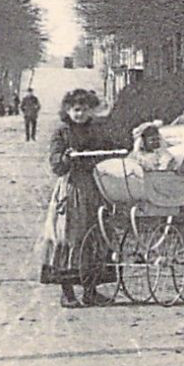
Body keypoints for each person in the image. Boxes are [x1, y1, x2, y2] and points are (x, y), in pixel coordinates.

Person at [37, 88, 127, 307]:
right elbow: (56, 164)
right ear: (68, 110)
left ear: (91, 111)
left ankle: (91, 290)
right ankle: (67, 292)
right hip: (72, 189)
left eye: (85, 110)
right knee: (70, 235)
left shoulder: (96, 131)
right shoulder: (62, 133)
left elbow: (109, 148)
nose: (80, 114)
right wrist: (65, 158)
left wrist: (119, 150)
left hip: (95, 189)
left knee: (95, 234)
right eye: (76, 110)